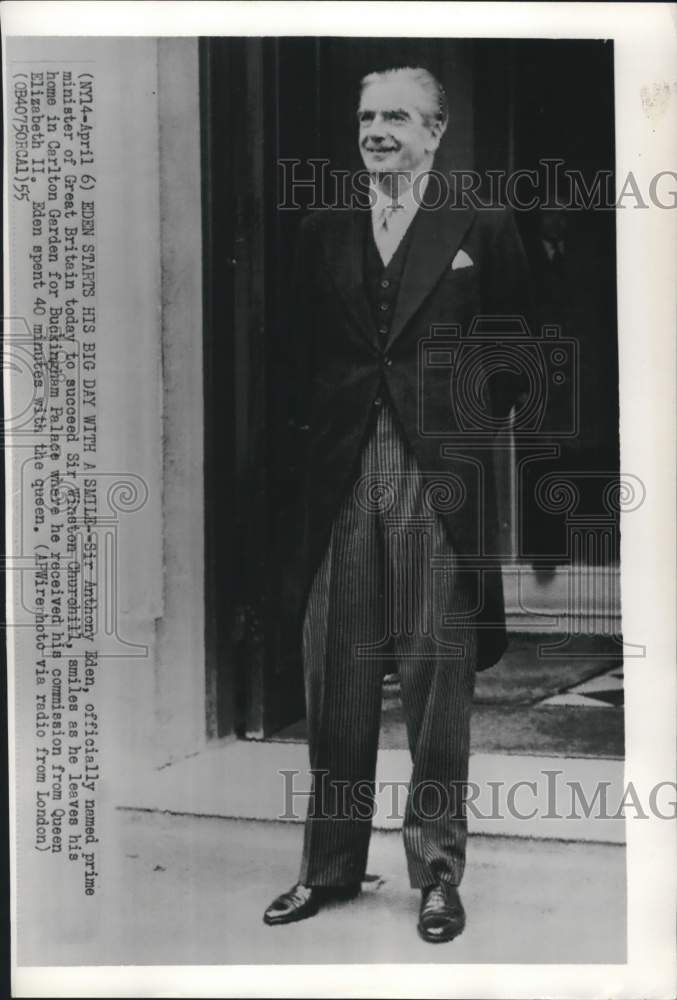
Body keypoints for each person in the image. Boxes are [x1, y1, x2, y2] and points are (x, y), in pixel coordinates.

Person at [265, 66, 531, 943]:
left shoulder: (480, 223)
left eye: (395, 117)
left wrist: (466, 427)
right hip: (340, 471)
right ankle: (330, 869)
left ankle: (438, 875)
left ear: (435, 130)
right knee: (334, 677)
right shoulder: (320, 227)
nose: (375, 130)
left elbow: (519, 346)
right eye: (365, 116)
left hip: (436, 476)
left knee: (434, 676)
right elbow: (295, 351)